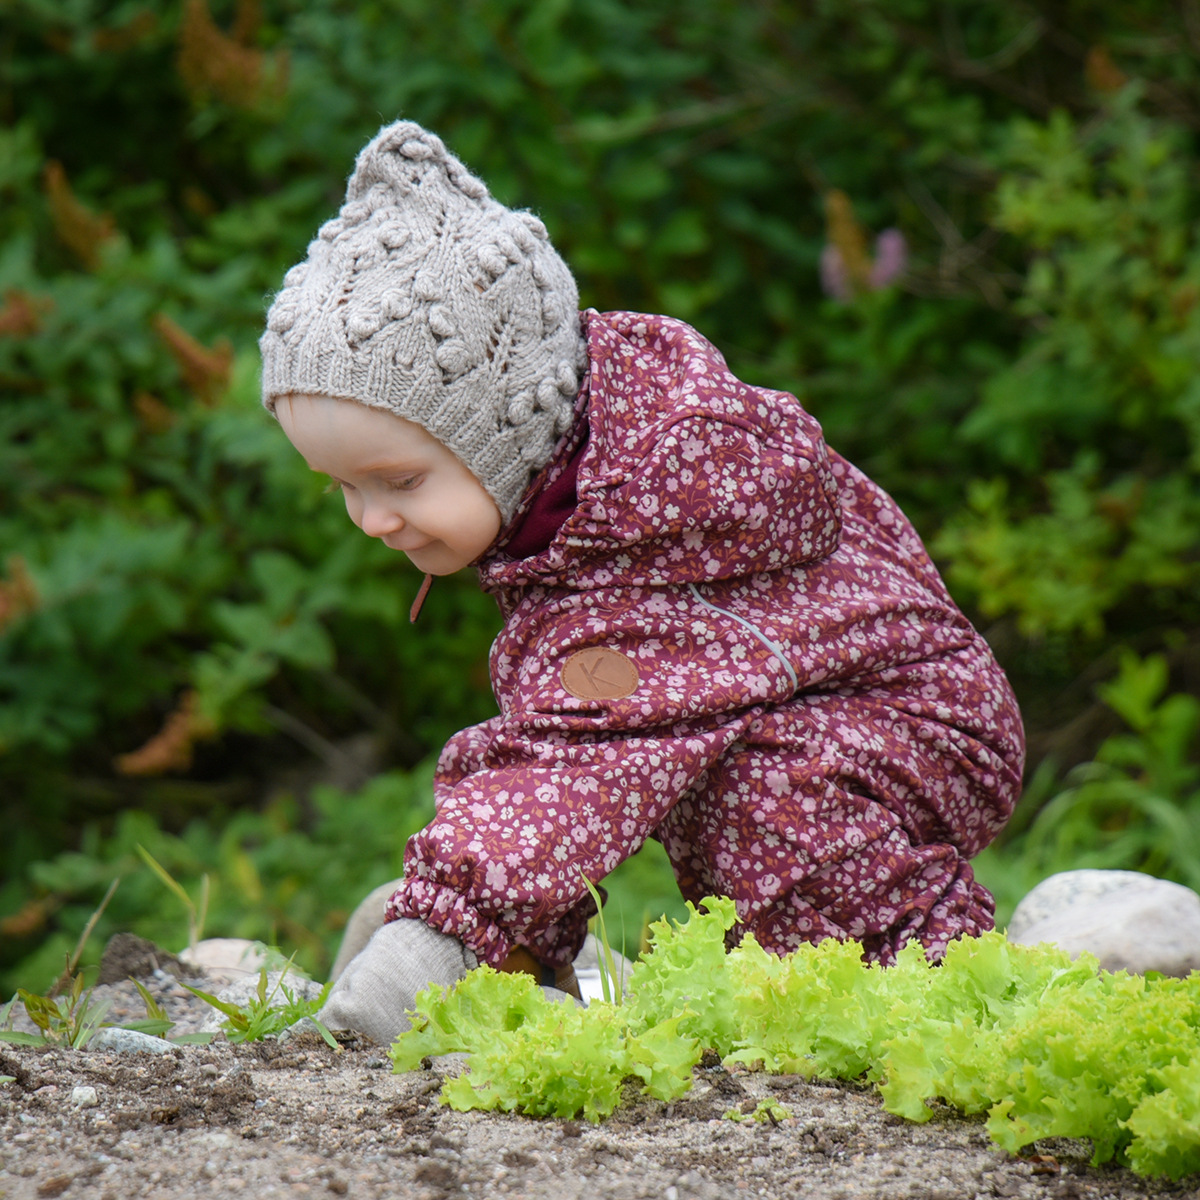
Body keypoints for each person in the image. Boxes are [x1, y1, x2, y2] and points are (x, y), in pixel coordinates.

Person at [259, 120, 1024, 1043]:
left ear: (505, 435)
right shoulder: (575, 498)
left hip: (913, 720)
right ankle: (518, 961)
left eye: (401, 482)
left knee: (758, 801)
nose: (373, 518)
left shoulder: (646, 535)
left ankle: (944, 990)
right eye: (344, 486)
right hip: (820, 703)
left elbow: (566, 771)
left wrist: (431, 941)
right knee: (628, 769)